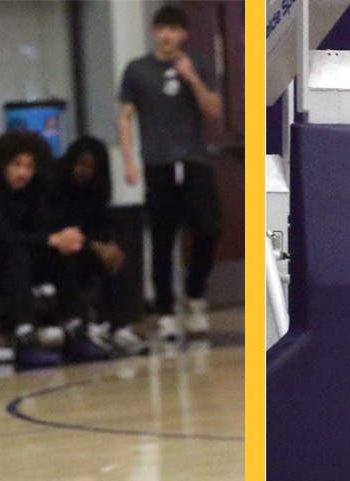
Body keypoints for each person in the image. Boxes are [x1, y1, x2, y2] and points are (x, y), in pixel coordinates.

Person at [118, 4, 223, 344]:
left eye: (174, 30)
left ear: (183, 35)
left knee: (208, 228)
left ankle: (194, 294)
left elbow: (213, 109)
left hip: (193, 159)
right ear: (153, 33)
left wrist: (192, 78)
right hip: (158, 163)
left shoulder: (198, 64)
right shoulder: (137, 70)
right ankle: (164, 311)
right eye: (161, 29)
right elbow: (125, 115)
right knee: (162, 239)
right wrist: (129, 160)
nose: (167, 36)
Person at [0, 130, 88, 366]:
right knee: (17, 254)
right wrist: (50, 239)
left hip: (10, 261)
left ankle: (75, 330)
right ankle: (24, 336)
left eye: (29, 167)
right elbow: (1, 236)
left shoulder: (34, 189)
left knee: (61, 255)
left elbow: (41, 229)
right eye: (17, 165)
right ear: (2, 163)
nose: (23, 173)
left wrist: (62, 240)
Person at [56, 135, 144, 356]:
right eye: (81, 164)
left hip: (84, 245)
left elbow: (102, 221)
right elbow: (58, 225)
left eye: (91, 167)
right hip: (59, 248)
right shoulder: (55, 186)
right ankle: (83, 326)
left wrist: (110, 244)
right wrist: (94, 246)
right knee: (74, 259)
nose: (83, 171)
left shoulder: (94, 190)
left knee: (119, 258)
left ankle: (118, 325)